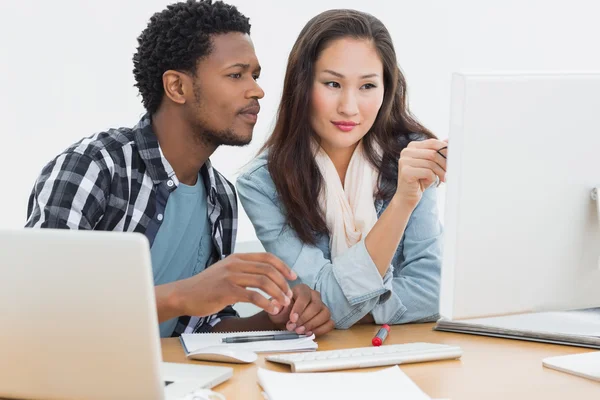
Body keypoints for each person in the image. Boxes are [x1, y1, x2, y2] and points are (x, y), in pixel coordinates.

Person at [25, 0, 334, 338]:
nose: (256, 90)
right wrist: (182, 295)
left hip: (170, 383)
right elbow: (37, 302)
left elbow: (202, 327)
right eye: (236, 75)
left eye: (255, 75)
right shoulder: (95, 167)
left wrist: (277, 320)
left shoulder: (221, 197)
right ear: (177, 87)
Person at [237, 9, 446, 331]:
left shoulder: (411, 155)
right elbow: (322, 298)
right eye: (333, 83)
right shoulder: (263, 184)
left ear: (386, 89)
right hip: (320, 360)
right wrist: (403, 202)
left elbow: (435, 292)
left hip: (409, 353)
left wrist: (345, 311)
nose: (349, 106)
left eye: (367, 86)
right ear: (302, 85)